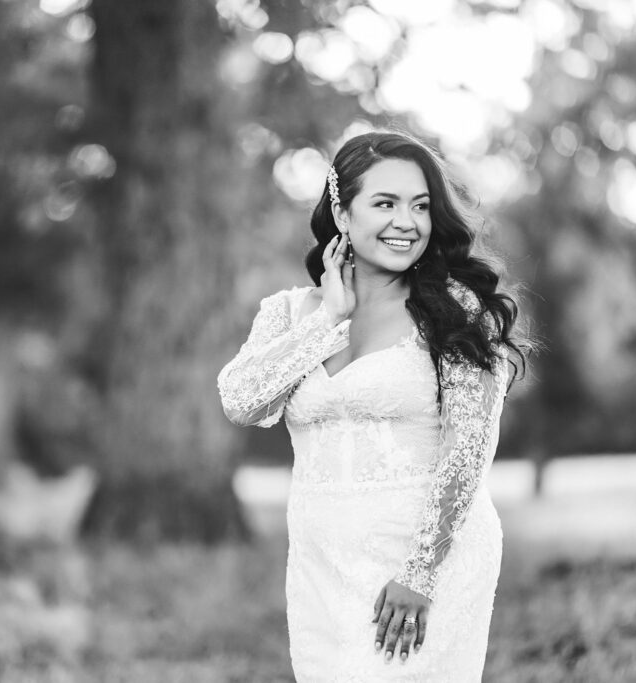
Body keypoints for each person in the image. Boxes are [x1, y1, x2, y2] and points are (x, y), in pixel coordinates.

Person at [217, 131, 531, 682]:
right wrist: (327, 320)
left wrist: (420, 572)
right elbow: (240, 400)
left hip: (426, 557)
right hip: (321, 559)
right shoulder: (289, 312)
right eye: (385, 204)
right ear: (341, 212)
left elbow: (469, 451)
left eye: (420, 206)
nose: (406, 222)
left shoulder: (455, 312)